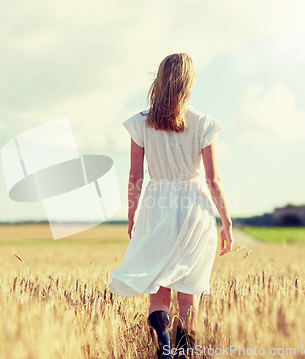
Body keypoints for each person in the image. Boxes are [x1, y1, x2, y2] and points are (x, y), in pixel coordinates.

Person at [108, 53, 234, 359]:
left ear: (160, 80)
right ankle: (185, 354)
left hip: (157, 206)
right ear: (189, 83)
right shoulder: (203, 122)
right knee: (189, 295)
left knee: (158, 292)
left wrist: (131, 212)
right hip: (195, 208)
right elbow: (213, 179)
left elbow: (135, 175)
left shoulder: (140, 123)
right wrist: (227, 221)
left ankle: (163, 347)